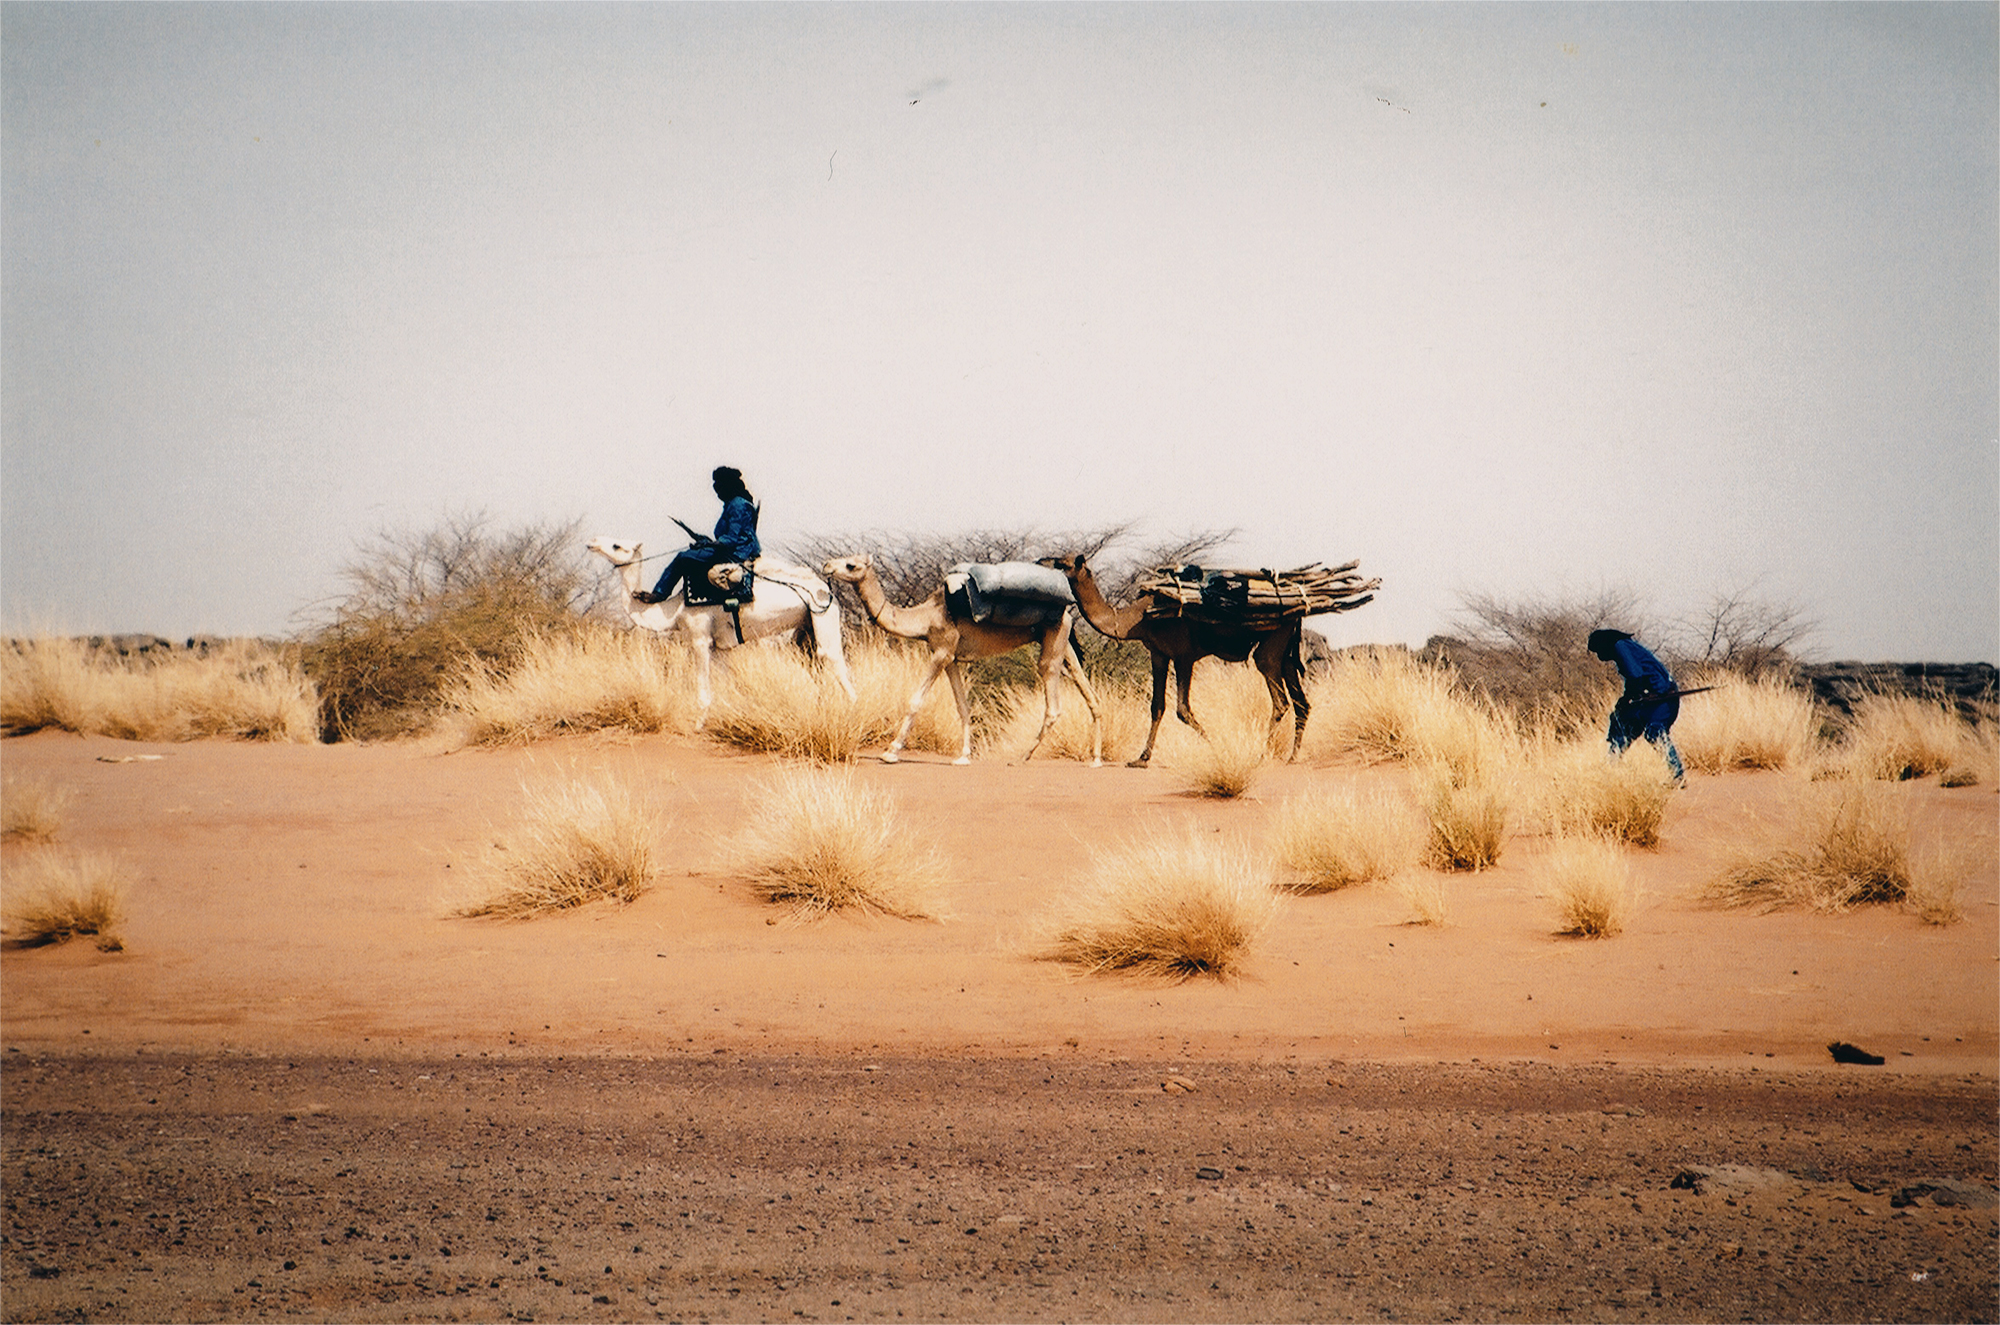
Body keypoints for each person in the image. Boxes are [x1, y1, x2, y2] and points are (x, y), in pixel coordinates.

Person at [633, 466, 761, 604]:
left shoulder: (737, 505)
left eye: (719, 489)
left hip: (737, 552)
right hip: (733, 549)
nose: (718, 493)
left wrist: (708, 544)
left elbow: (732, 539)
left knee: (683, 558)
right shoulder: (733, 504)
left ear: (728, 486)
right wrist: (705, 541)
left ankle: (659, 594)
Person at [1588, 628, 1687, 785]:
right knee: (1621, 727)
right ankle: (1608, 772)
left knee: (1654, 732)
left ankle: (1677, 776)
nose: (1600, 657)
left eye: (1598, 651)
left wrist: (1628, 698)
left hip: (1662, 696)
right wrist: (1627, 698)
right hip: (1651, 697)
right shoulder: (1624, 646)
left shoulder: (1620, 646)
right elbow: (1634, 678)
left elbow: (1635, 675)